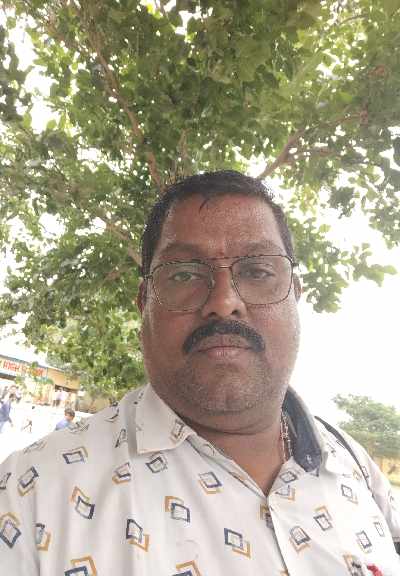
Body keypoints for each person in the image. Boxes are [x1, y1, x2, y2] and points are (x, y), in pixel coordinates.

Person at [0, 171, 399, 575]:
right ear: (144, 303)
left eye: (257, 271)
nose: (224, 302)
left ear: (294, 295)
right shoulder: (27, 498)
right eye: (185, 274)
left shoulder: (356, 468)